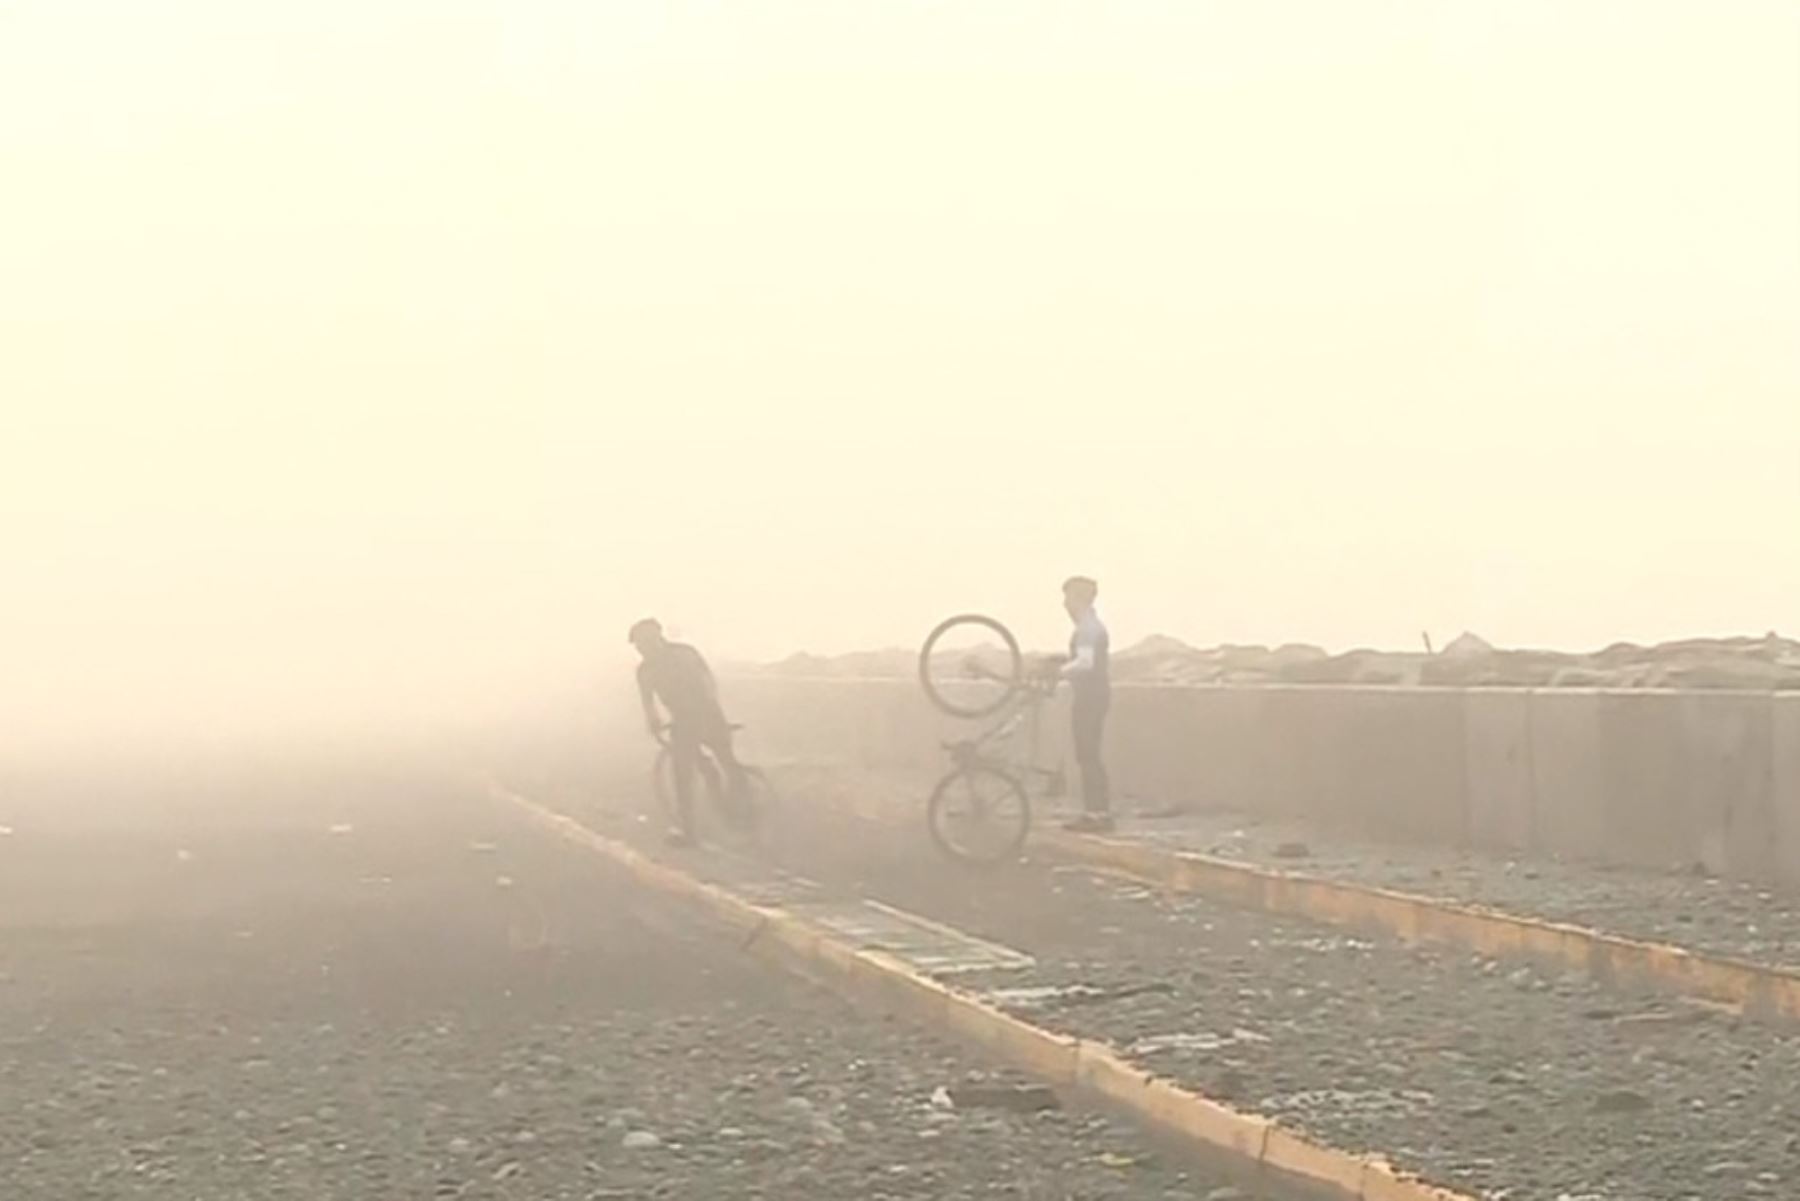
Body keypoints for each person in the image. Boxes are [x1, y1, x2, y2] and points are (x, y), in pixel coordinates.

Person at [629, 618, 746, 846]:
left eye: (644, 645)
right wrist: (655, 722)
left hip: (700, 716)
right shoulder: (661, 663)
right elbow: (649, 704)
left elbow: (706, 682)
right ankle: (729, 812)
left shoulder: (677, 657)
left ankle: (699, 829)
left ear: (657, 639)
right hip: (695, 718)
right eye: (639, 647)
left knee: (690, 775)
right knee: (715, 766)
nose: (642, 651)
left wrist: (658, 724)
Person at [1055, 576, 1112, 833]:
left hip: (1091, 696)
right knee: (1088, 753)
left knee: (1088, 753)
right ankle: (1097, 811)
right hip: (1093, 695)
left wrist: (1059, 672)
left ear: (1079, 599)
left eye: (1068, 599)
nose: (1065, 605)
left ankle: (1097, 814)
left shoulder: (1088, 628)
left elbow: (1085, 663)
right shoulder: (1090, 626)